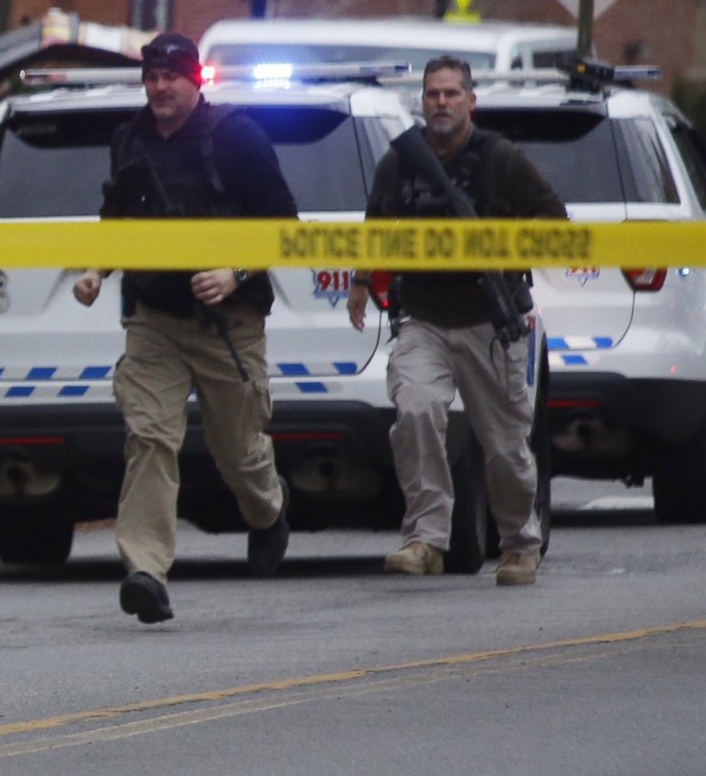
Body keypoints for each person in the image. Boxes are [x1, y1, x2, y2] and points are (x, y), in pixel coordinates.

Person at [70, 32, 296, 625]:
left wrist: (234, 272)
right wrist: (95, 271)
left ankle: (268, 511)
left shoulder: (237, 137)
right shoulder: (129, 140)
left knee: (237, 449)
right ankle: (145, 571)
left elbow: (286, 227)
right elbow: (114, 221)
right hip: (154, 322)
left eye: (171, 75)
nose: (160, 86)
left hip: (229, 321)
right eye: (152, 75)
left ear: (196, 79)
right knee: (149, 437)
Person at [349, 56, 564, 585]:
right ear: (422, 102)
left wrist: (504, 253)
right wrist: (359, 282)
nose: (440, 102)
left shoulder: (502, 160)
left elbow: (552, 220)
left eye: (450, 93)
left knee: (507, 444)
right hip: (422, 316)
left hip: (492, 322)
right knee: (417, 412)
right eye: (432, 94)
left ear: (471, 101)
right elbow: (375, 227)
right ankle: (426, 539)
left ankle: (518, 544)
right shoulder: (400, 161)